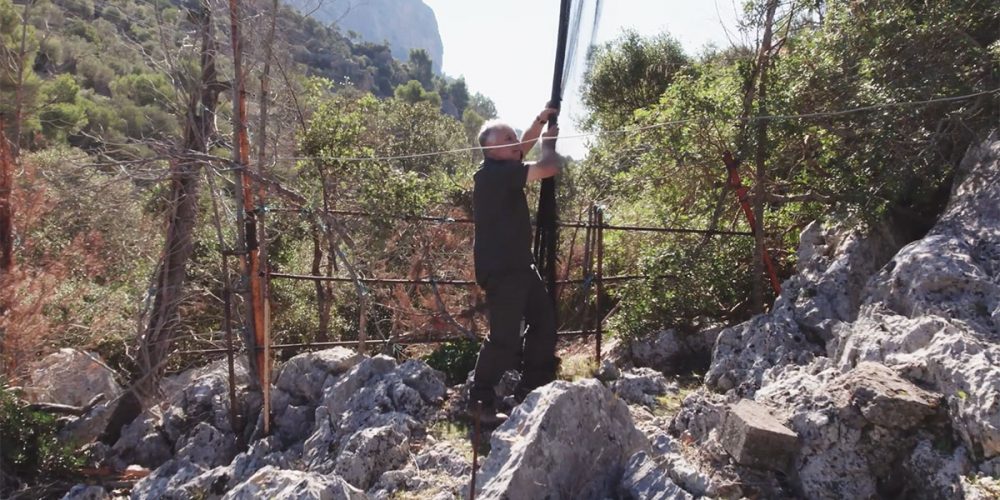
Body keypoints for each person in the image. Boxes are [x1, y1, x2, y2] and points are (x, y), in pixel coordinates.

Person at [468, 106, 565, 425]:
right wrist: (549, 142)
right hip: (503, 270)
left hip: (521, 265)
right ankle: (479, 401)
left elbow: (523, 146)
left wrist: (540, 121)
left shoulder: (503, 165)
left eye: (513, 136)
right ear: (491, 150)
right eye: (507, 139)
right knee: (504, 338)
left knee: (544, 322)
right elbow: (548, 167)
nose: (516, 143)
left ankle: (533, 386)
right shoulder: (495, 174)